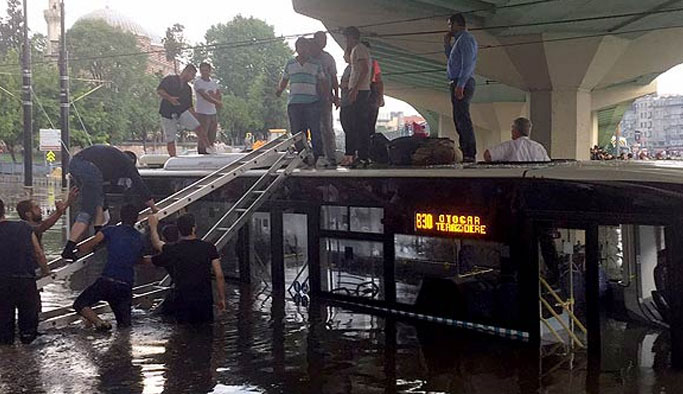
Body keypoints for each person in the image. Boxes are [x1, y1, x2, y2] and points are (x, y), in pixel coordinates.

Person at [61, 146, 158, 261]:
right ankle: (69, 248)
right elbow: (139, 184)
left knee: (98, 200)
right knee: (87, 211)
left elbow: (101, 194)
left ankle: (97, 233)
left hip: (75, 164)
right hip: (86, 166)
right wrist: (154, 208)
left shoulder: (109, 161)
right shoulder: (126, 162)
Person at [72, 204, 147, 331]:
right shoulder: (140, 238)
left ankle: (99, 322)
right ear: (136, 219)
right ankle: (122, 347)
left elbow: (89, 244)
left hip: (107, 281)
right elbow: (139, 260)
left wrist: (75, 249)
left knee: (80, 304)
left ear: (119, 216)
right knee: (124, 326)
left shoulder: (111, 230)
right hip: (125, 285)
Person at [148, 214, 226, 324]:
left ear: (179, 230)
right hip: (204, 299)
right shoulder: (209, 247)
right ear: (194, 227)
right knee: (206, 331)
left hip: (182, 299)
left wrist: (153, 226)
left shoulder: (174, 249)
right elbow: (219, 275)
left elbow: (157, 243)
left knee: (183, 331)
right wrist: (221, 298)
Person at [0, 198, 50, 344]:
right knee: (29, 327)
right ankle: (30, 357)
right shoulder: (23, 227)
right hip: (25, 280)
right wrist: (46, 271)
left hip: (2, 283)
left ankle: (9, 357)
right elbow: (39, 253)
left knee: (4, 326)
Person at [276, 37, 328, 165]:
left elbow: (322, 81)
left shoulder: (316, 64)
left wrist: (326, 97)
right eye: (301, 47)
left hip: (312, 102)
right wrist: (279, 90)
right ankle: (303, 157)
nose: (303, 50)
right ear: (297, 48)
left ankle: (319, 156)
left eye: (306, 47)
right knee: (298, 132)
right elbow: (284, 79)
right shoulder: (290, 63)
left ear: (309, 49)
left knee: (315, 130)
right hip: (294, 103)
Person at [444, 13, 478, 162]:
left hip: (462, 82)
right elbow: (452, 59)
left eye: (450, 25)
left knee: (463, 118)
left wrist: (461, 85)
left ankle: (469, 152)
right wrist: (447, 44)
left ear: (457, 24)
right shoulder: (459, 41)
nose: (449, 28)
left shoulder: (466, 39)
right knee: (459, 118)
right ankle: (466, 150)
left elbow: (467, 64)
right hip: (457, 81)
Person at [157, 64, 209, 156]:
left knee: (199, 128)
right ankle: (173, 157)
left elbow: (190, 106)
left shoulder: (187, 88)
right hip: (167, 113)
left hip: (181, 112)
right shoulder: (170, 79)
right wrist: (170, 98)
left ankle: (208, 148)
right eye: (192, 75)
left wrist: (196, 117)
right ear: (186, 72)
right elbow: (160, 91)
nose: (192, 78)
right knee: (170, 138)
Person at [342, 26, 372, 168]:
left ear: (351, 37)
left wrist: (354, 89)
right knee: (355, 123)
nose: (345, 41)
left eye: (346, 38)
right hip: (359, 90)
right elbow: (347, 59)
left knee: (358, 124)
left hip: (360, 91)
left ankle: (363, 155)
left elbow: (365, 69)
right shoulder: (356, 50)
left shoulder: (359, 49)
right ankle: (358, 155)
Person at [312, 31, 339, 167]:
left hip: (325, 97)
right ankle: (315, 156)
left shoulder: (328, 58)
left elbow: (334, 78)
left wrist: (336, 95)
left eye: (325, 40)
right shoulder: (306, 57)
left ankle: (331, 156)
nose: (324, 42)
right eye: (321, 39)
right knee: (313, 128)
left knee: (327, 127)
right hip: (309, 97)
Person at [484, 117, 550, 162]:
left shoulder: (510, 146)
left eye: (513, 128)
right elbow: (547, 164)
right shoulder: (538, 147)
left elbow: (488, 155)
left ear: (516, 130)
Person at [194, 62, 222, 151]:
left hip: (212, 112)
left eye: (206, 70)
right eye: (202, 70)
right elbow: (205, 96)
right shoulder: (198, 82)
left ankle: (211, 150)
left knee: (212, 134)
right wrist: (216, 101)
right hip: (202, 112)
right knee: (203, 135)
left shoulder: (214, 83)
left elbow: (218, 94)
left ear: (210, 71)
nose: (204, 72)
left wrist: (217, 100)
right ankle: (202, 152)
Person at [362, 41, 385, 133]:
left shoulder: (373, 63)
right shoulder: (372, 62)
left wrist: (380, 97)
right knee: (367, 123)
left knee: (368, 122)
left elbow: (379, 81)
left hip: (370, 92)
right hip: (369, 92)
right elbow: (379, 81)